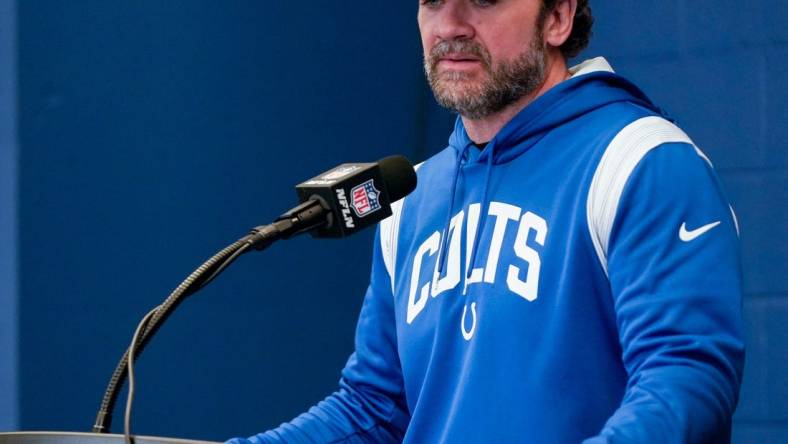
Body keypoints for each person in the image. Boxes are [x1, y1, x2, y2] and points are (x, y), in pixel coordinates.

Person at [229, 0, 744, 442]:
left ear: (558, 16)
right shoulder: (410, 198)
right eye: (432, 0)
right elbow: (375, 408)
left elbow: (683, 374)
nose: (449, 25)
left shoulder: (641, 160)